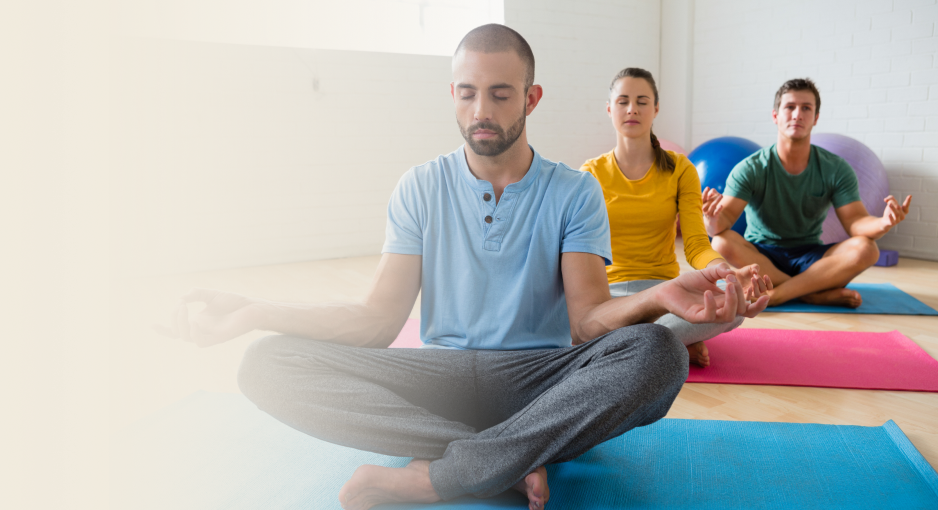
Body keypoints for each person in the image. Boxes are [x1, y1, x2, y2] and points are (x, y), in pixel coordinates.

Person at [158, 25, 768, 510]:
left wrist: (660, 296)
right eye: (468, 92)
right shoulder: (418, 187)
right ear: (452, 94)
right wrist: (250, 312)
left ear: (530, 98)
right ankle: (503, 458)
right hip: (441, 374)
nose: (482, 109)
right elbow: (376, 321)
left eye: (501, 94)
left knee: (658, 355)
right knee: (267, 362)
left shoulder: (574, 192)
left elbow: (587, 322)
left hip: (543, 378)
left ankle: (443, 473)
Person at [579, 68, 772, 367]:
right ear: (609, 109)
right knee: (575, 320)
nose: (632, 109)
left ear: (655, 109)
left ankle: (638, 344)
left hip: (665, 293)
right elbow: (580, 253)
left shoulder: (680, 169)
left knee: (735, 308)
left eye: (642, 101)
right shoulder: (590, 174)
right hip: (609, 294)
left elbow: (696, 244)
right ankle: (670, 343)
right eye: (623, 101)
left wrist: (727, 273)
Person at [703, 78, 912, 307]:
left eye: (806, 108)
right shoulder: (750, 168)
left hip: (812, 257)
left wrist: (884, 223)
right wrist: (711, 219)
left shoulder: (836, 168)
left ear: (816, 118)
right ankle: (812, 293)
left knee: (867, 249)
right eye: (790, 107)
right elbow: (721, 225)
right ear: (776, 116)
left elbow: (856, 222)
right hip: (762, 256)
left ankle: (779, 294)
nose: (797, 114)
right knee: (721, 242)